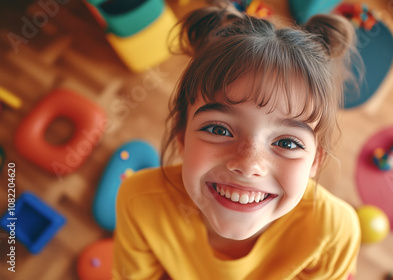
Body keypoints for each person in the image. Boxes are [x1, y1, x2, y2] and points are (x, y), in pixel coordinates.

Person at [113, 1, 361, 279]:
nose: (248, 164)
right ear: (182, 137)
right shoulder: (139, 202)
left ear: (316, 160)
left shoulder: (334, 231)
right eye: (219, 130)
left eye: (288, 143)